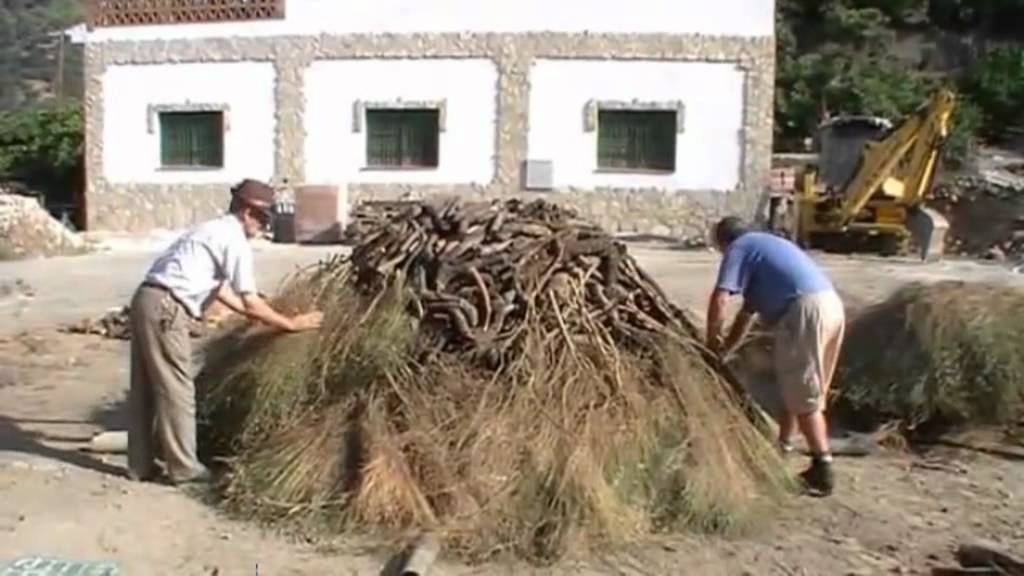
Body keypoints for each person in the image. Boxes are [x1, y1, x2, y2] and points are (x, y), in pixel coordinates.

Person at [127, 178, 323, 485]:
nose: (262, 225)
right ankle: (184, 469)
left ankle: (140, 465)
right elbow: (249, 299)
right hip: (166, 306)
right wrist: (291, 324)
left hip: (146, 298)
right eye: (261, 218)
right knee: (177, 389)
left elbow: (219, 290)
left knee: (146, 386)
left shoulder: (211, 229)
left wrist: (250, 311)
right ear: (246, 212)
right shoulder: (234, 240)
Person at [705, 217, 845, 496]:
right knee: (796, 388)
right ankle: (783, 447)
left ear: (724, 241)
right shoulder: (767, 247)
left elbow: (720, 298)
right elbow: (745, 316)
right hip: (831, 306)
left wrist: (710, 341)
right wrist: (724, 351)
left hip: (803, 312)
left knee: (805, 395)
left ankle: (823, 467)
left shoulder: (740, 247)